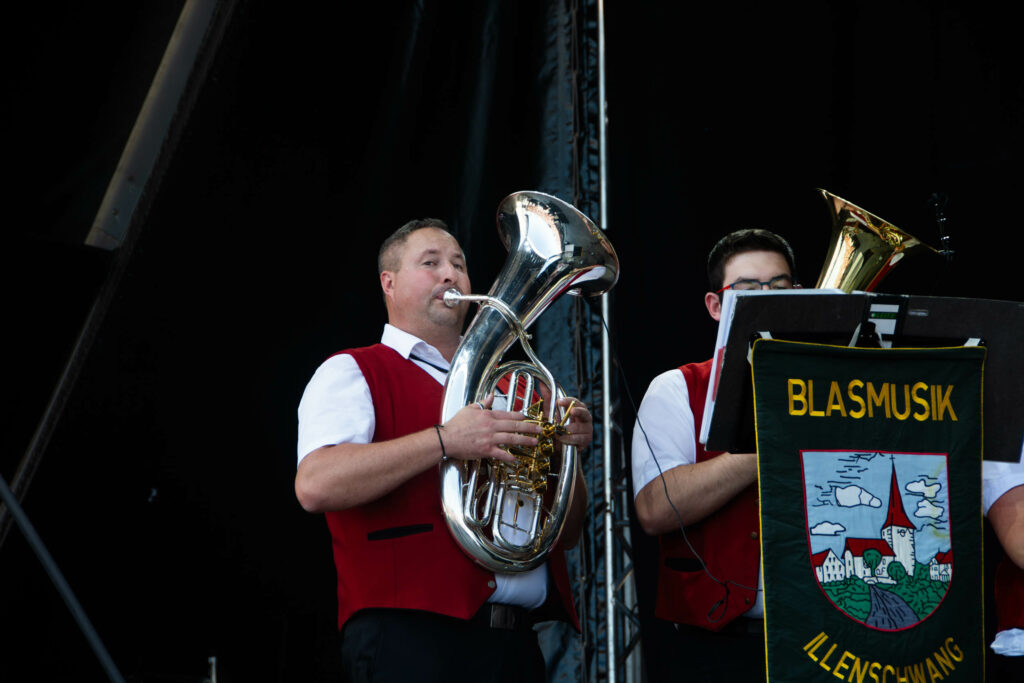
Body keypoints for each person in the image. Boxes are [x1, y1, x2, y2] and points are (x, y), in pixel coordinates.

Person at [294, 218, 591, 683]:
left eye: (459, 265)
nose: (450, 275)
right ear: (387, 283)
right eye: (430, 264)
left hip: (516, 646)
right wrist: (445, 440)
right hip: (411, 640)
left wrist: (566, 455)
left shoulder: (514, 388)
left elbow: (566, 532)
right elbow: (316, 484)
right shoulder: (352, 371)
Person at [630, 228, 798, 682]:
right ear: (715, 306)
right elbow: (654, 508)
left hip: (824, 636)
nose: (766, 302)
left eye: (779, 290)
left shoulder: (835, 391)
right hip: (717, 645)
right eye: (746, 291)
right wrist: (764, 454)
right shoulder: (675, 389)